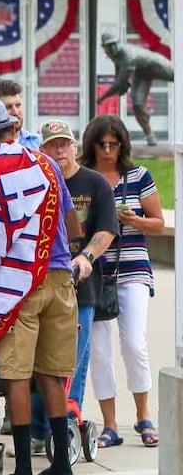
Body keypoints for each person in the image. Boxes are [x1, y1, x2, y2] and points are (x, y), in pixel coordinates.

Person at [0, 101, 84, 475]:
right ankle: (61, 467)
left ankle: (23, 472)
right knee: (52, 373)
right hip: (60, 276)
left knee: (15, 374)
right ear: (13, 129)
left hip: (17, 284)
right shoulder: (46, 165)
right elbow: (71, 222)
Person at [30, 119, 117, 450]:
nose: (59, 151)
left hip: (81, 287)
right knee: (39, 361)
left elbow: (106, 230)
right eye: (52, 145)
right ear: (43, 150)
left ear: (75, 147)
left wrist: (87, 258)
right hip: (41, 287)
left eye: (64, 144)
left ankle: (66, 425)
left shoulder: (94, 184)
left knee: (71, 363)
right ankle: (39, 428)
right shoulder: (38, 183)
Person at [79, 115, 165, 449]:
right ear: (91, 145)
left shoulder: (138, 176)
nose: (107, 151)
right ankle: (110, 424)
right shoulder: (84, 178)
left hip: (132, 269)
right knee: (98, 350)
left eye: (113, 145)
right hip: (95, 272)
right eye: (101, 144)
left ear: (122, 145)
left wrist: (136, 221)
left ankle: (144, 415)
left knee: (134, 344)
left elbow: (158, 222)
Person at [99, 30, 175, 145]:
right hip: (142, 73)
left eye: (115, 44)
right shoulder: (113, 55)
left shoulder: (127, 55)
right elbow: (119, 74)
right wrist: (123, 86)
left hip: (156, 65)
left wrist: (101, 98)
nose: (113, 47)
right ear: (104, 47)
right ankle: (150, 136)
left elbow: (119, 82)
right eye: (109, 45)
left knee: (179, 76)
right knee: (137, 104)